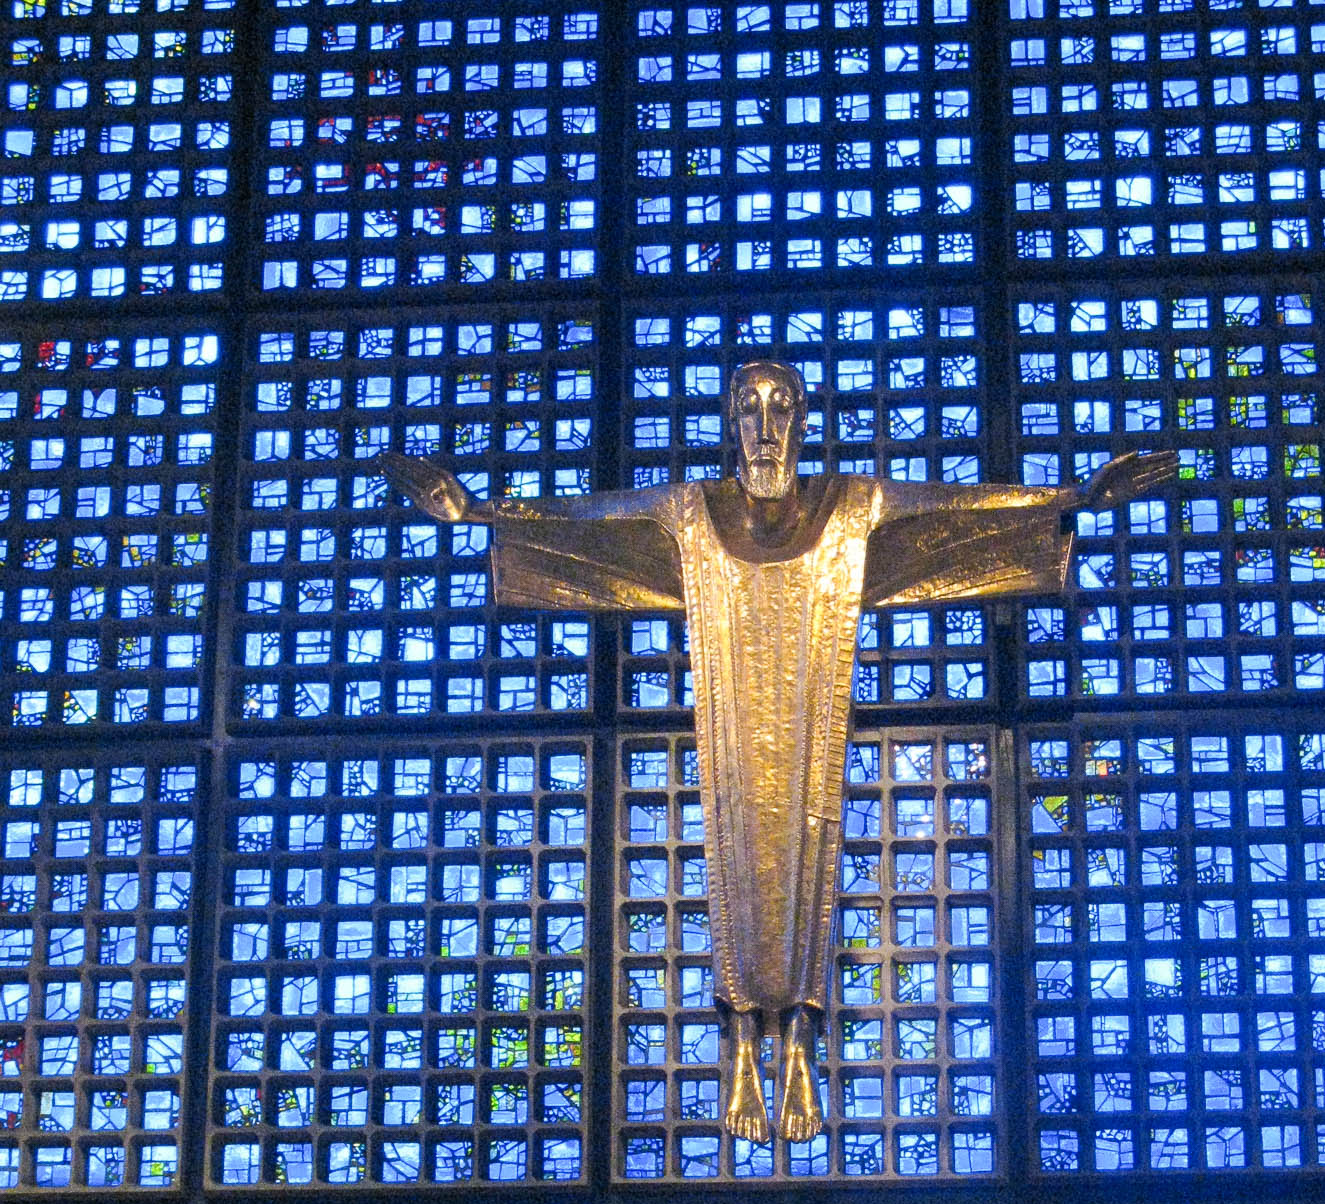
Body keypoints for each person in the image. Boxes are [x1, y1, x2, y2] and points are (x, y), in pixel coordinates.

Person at [383, 363, 1171, 1145]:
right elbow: (586, 519)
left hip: (810, 697)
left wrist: (1073, 499)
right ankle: (739, 1043)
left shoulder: (853, 507)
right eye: (749, 409)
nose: (765, 427)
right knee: (735, 845)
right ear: (729, 421)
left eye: (781, 408)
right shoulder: (686, 513)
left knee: (806, 840)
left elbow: (959, 508)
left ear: (804, 419)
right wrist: (481, 513)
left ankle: (795, 1037)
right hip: (728, 710)